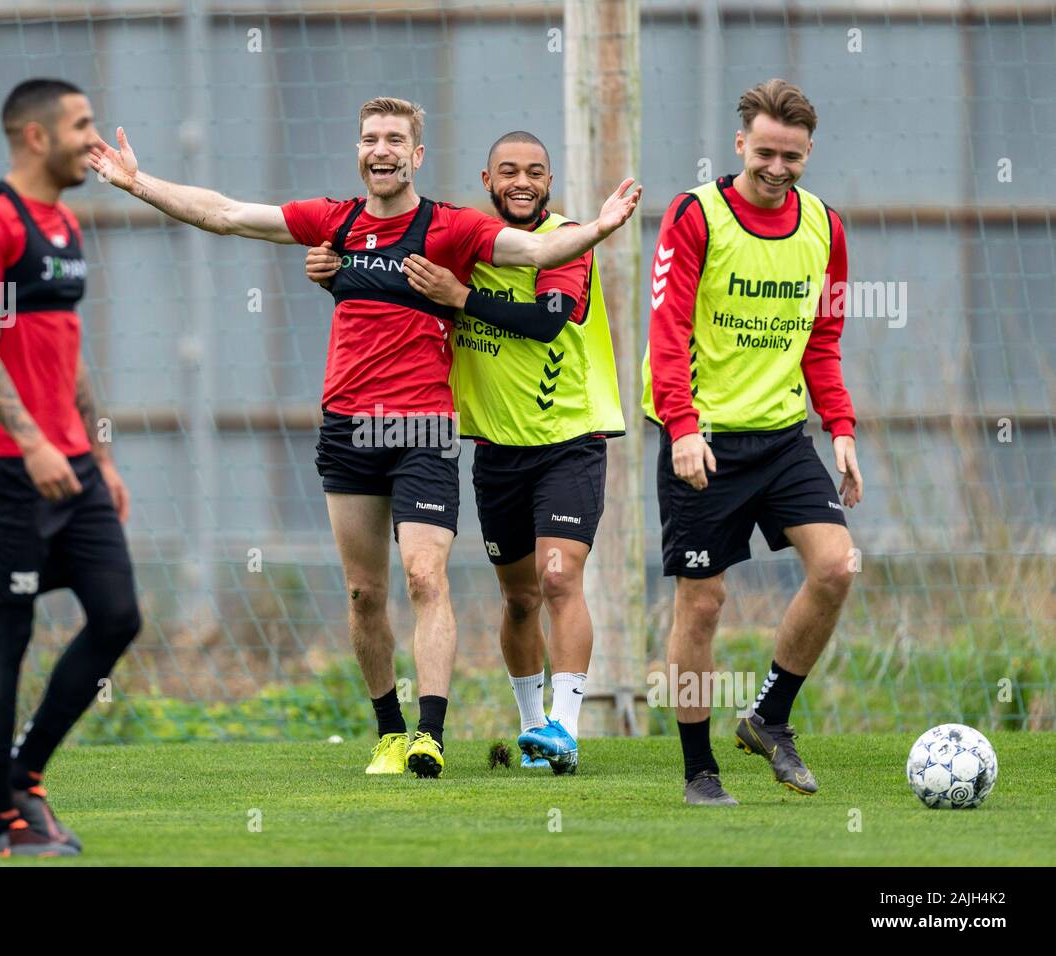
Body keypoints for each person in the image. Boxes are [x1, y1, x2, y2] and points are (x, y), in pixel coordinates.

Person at [90, 97, 640, 777]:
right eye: (370, 138)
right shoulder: (335, 224)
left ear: (416, 156)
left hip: (432, 429)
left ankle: (436, 735)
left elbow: (538, 249)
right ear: (360, 151)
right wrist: (138, 182)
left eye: (395, 140)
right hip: (351, 428)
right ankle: (389, 731)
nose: (381, 149)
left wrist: (604, 226)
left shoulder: (450, 229)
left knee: (429, 575)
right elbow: (228, 214)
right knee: (365, 594)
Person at [304, 131, 625, 775]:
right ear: (487, 181)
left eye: (536, 170)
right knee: (518, 600)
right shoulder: (465, 242)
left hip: (570, 440)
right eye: (509, 171)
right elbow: (390, 291)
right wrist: (338, 273)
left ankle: (564, 724)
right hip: (494, 448)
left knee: (559, 577)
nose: (522, 182)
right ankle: (531, 725)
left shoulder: (556, 244)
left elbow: (544, 323)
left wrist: (463, 299)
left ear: (551, 180)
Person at [641, 79, 862, 805]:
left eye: (791, 156)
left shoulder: (826, 227)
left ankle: (769, 717)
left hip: (782, 437)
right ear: (739, 145)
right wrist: (681, 427)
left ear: (809, 153)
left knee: (835, 567)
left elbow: (822, 340)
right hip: (702, 439)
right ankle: (699, 771)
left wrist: (842, 432)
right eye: (765, 152)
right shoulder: (695, 214)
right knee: (702, 605)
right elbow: (668, 329)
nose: (776, 167)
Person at [0, 78, 140, 854]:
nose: (94, 141)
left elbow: (67, 349)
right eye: (82, 126)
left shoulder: (64, 224)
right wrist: (31, 443)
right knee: (7, 634)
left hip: (73, 464)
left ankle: (25, 774)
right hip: (1, 462)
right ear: (35, 136)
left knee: (119, 615)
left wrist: (100, 453)